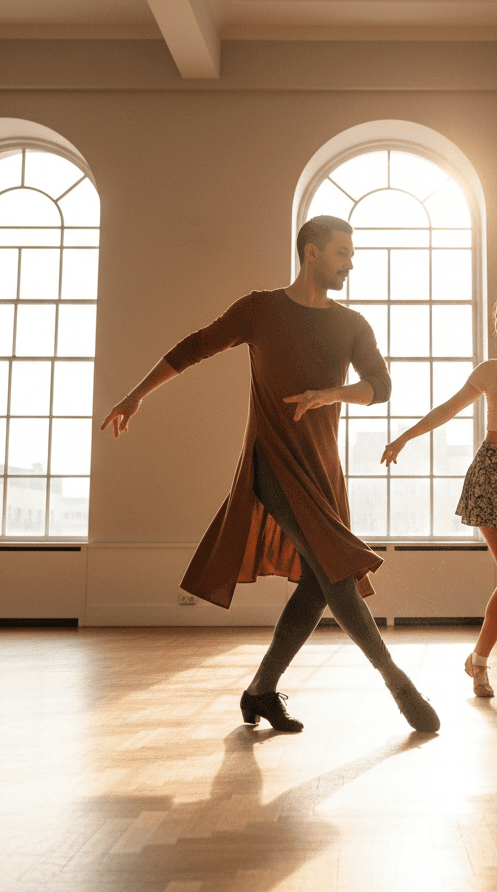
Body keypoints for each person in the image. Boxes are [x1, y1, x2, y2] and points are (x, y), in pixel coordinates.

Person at [101, 215, 439, 734]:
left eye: (352, 255)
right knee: (335, 574)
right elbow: (195, 346)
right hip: (274, 462)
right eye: (343, 253)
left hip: (323, 469)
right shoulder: (261, 309)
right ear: (311, 252)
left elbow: (381, 385)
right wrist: (135, 396)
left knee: (318, 586)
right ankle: (398, 683)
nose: (351, 264)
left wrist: (331, 394)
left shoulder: (352, 324)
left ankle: (260, 690)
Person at [381, 291, 497, 706]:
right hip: (492, 473)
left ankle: (478, 661)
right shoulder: (488, 371)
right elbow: (447, 410)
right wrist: (403, 437)